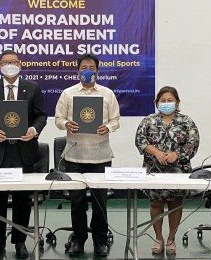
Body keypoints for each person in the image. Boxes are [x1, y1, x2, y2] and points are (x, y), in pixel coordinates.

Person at [0, 50, 47, 259]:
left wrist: (33, 131)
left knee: (21, 200)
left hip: (23, 151)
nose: (10, 65)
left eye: (14, 62)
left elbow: (41, 116)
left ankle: (20, 242)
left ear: (20, 64)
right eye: (6, 62)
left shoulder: (32, 88)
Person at [55, 53, 120, 257]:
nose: (87, 70)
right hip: (74, 157)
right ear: (77, 71)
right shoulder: (68, 93)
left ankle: (100, 240)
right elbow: (58, 119)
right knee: (77, 203)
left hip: (100, 156)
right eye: (83, 67)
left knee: (100, 203)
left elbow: (116, 120)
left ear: (97, 71)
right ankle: (79, 240)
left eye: (91, 67)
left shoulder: (108, 93)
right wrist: (67, 124)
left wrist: (107, 127)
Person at [135, 86, 199, 254]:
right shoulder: (148, 120)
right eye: (163, 101)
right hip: (154, 169)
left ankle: (171, 238)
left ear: (177, 102)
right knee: (155, 203)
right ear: (157, 103)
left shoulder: (186, 121)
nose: (166, 103)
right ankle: (158, 237)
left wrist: (176, 154)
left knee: (175, 203)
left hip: (179, 170)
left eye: (170, 100)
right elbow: (140, 140)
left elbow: (193, 143)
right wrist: (156, 152)